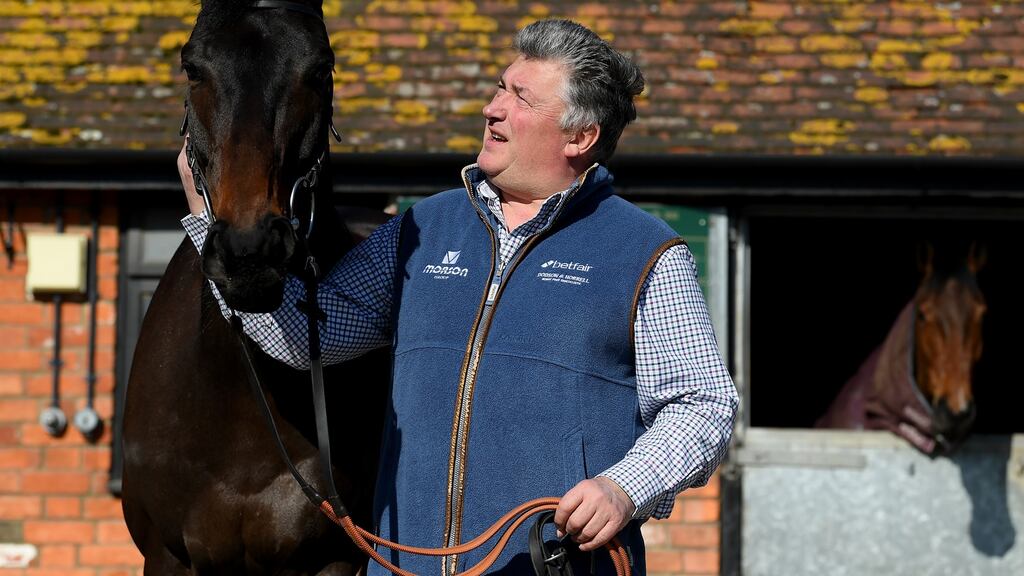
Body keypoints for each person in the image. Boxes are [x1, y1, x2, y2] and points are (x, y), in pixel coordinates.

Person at [179, 18, 737, 576]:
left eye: (521, 98)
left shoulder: (644, 251)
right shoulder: (422, 228)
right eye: (499, 88)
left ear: (579, 137)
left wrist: (623, 488)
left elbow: (704, 405)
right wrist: (211, 228)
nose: (493, 109)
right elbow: (308, 337)